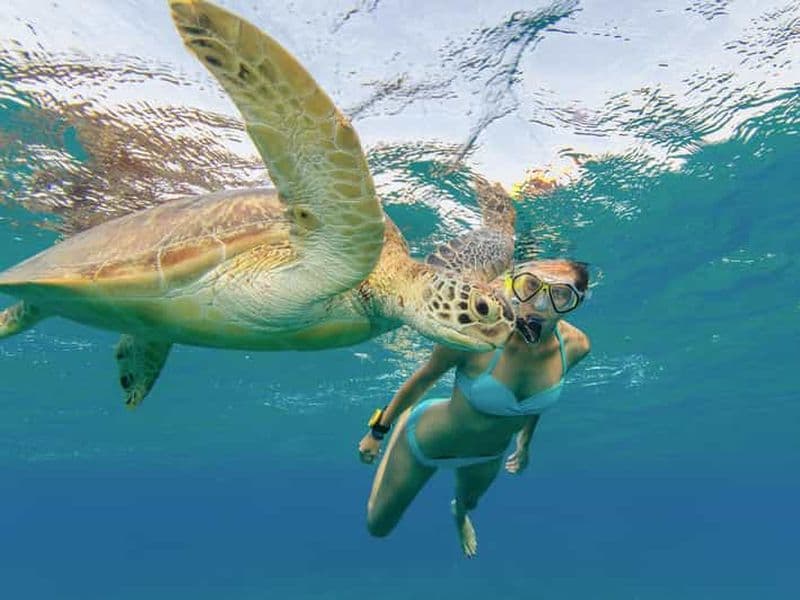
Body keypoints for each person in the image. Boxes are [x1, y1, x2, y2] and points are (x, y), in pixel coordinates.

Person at [358, 259, 592, 557]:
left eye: (560, 295)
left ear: (576, 303)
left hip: (488, 456)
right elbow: (421, 380)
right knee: (378, 527)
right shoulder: (478, 332)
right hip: (427, 442)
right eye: (531, 287)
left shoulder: (576, 347)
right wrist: (377, 432)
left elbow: (536, 401)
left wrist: (525, 442)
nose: (540, 304)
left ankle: (459, 516)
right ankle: (405, 423)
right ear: (516, 286)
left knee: (468, 504)